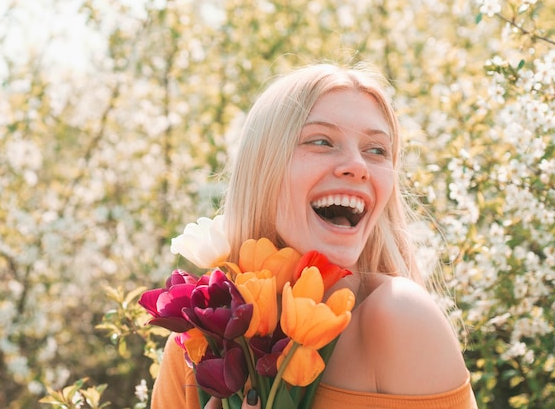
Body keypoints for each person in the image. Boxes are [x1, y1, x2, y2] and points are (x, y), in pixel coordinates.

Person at [151, 62, 477, 409]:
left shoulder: (400, 317)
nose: (357, 165)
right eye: (321, 141)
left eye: (377, 150)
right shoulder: (201, 348)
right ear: (262, 170)